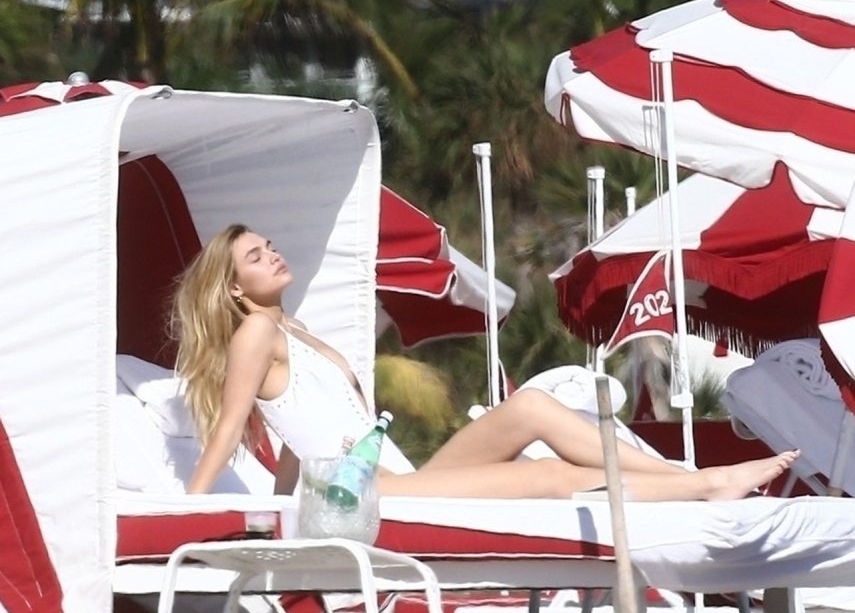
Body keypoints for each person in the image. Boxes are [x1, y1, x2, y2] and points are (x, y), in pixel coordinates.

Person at [172, 224, 799, 501]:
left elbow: (296, 436)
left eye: (270, 246)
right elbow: (229, 427)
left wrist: (287, 504)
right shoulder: (255, 331)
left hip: (400, 479)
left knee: (530, 407)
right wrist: (192, 507)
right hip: (375, 492)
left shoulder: (294, 330)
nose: (273, 255)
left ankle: (683, 475)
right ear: (233, 287)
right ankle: (704, 486)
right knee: (550, 478)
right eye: (255, 257)